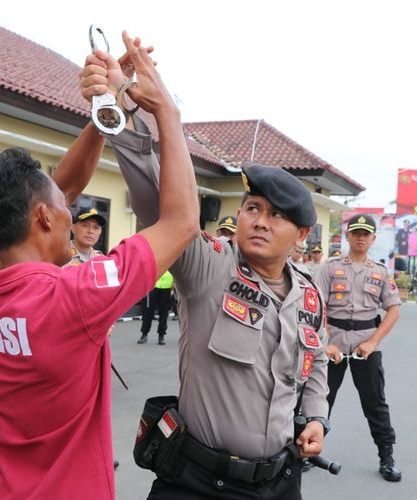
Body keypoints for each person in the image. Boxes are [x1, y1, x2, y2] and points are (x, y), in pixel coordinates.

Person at [0, 33, 200, 499]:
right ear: (44, 218)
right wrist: (165, 112)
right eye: (63, 208)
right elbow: (181, 221)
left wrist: (105, 109)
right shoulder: (75, 296)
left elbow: (59, 187)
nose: (73, 212)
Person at [90, 81, 330, 494]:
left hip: (278, 481)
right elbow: (159, 209)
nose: (259, 221)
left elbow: (317, 363)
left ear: (301, 234)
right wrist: (127, 117)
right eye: (253, 208)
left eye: (276, 216)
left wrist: (315, 417)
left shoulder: (308, 294)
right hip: (198, 481)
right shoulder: (211, 266)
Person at [314, 214, 402, 482]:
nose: (361, 237)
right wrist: (326, 343)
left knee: (375, 403)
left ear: (373, 238)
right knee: (319, 400)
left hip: (366, 344)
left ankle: (386, 456)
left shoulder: (380, 271)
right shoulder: (329, 268)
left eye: (366, 233)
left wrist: (373, 342)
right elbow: (315, 305)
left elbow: (393, 309)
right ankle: (308, 452)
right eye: (356, 233)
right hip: (333, 344)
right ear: (348, 236)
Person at [137, 270, 174, 345]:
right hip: (152, 285)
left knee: (164, 313)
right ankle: (144, 334)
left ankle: (161, 335)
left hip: (167, 286)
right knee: (148, 312)